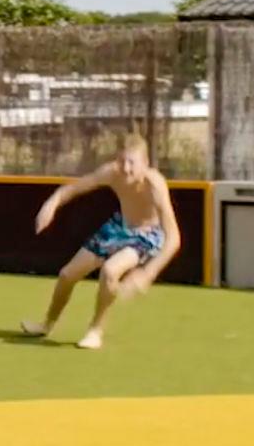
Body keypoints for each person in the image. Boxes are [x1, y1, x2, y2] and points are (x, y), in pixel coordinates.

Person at [20, 133, 179, 350]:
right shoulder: (111, 173)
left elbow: (174, 238)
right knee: (67, 275)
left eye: (132, 162)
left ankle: (96, 330)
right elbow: (72, 189)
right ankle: (47, 324)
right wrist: (51, 204)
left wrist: (148, 273)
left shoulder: (156, 186)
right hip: (119, 227)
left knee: (110, 271)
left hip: (147, 235)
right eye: (122, 161)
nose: (126, 168)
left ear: (145, 164)